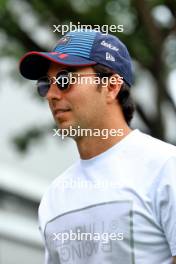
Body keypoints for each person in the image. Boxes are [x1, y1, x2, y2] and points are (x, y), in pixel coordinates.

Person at [19, 30, 176, 264]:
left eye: (64, 79)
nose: (51, 95)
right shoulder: (53, 197)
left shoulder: (166, 167)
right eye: (45, 84)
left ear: (112, 86)